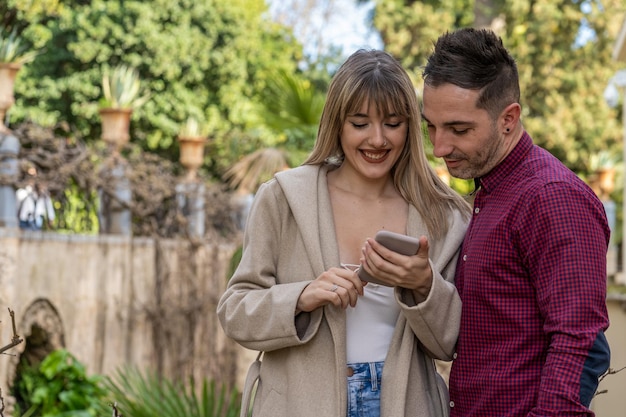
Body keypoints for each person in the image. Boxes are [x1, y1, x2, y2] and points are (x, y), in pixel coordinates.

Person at [217, 49, 471, 417]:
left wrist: (424, 285)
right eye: (359, 123)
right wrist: (302, 296)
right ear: (337, 123)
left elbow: (450, 344)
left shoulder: (443, 214)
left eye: (393, 122)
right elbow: (235, 312)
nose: (378, 139)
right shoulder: (284, 198)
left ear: (410, 128)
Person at [421, 28, 611, 416]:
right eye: (431, 126)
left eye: (458, 129)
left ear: (508, 119)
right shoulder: (488, 192)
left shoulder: (551, 196)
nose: (439, 147)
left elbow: (581, 344)